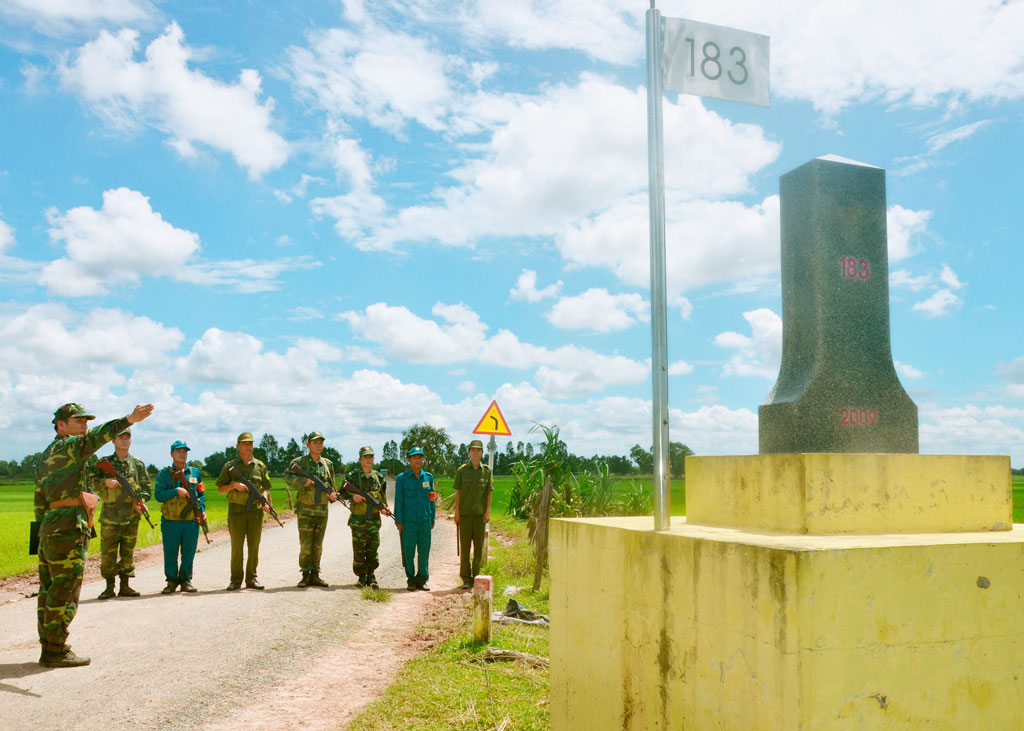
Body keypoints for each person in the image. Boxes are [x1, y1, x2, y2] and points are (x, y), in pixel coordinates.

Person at [34, 401, 154, 668]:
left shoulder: (45, 454)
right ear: (61, 425)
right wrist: (129, 419)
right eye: (79, 421)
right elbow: (99, 435)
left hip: (51, 527)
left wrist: (40, 533)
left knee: (49, 589)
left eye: (86, 421)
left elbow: (39, 497)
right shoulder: (70, 446)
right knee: (65, 590)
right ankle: (55, 649)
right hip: (68, 527)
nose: (84, 426)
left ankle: (48, 645)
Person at [89, 428, 152, 600]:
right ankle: (109, 587)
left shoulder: (138, 464)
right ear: (113, 441)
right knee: (107, 553)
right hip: (110, 516)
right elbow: (91, 481)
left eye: (128, 437)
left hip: (131, 516)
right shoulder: (105, 463)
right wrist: (105, 481)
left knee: (128, 553)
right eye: (120, 437)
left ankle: (125, 586)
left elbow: (146, 488)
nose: (124, 440)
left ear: (131, 440)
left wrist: (142, 502)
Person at [216, 432, 272, 591]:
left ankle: (252, 578)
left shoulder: (260, 466)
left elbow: (265, 487)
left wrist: (265, 500)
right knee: (237, 547)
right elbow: (220, 489)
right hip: (236, 512)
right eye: (245, 444)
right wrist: (234, 486)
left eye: (250, 444)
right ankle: (235, 580)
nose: (248, 447)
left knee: (254, 546)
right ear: (238, 446)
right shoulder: (230, 466)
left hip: (255, 512)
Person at [284, 431, 337, 588]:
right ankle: (305, 574)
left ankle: (315, 574)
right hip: (305, 510)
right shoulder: (299, 462)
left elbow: (331, 485)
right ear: (308, 445)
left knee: (318, 544)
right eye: (315, 442)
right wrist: (303, 481)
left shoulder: (328, 464)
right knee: (306, 544)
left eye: (320, 442)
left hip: (321, 510)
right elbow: (287, 477)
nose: (318, 445)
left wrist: (333, 495)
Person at [154, 440, 205, 594]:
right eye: (178, 451)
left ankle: (185, 580)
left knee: (189, 551)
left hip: (190, 521)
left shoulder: (195, 472)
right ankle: (171, 581)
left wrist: (201, 510)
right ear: (172, 454)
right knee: (170, 552)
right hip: (171, 521)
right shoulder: (164, 474)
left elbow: (201, 494)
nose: (182, 454)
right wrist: (176, 491)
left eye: (184, 451)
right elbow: (158, 495)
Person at [343, 445, 388, 589]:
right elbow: (342, 492)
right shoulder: (352, 476)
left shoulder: (379, 478)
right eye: (365, 457)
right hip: (358, 519)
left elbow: (382, 497)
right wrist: (353, 496)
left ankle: (372, 575)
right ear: (360, 459)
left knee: (373, 548)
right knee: (358, 548)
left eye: (371, 457)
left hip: (373, 520)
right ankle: (362, 577)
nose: (368, 460)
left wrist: (384, 508)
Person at [453, 439, 493, 590]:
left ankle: (476, 576)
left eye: (479, 450)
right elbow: (458, 493)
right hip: (464, 515)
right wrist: (456, 512)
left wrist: (487, 511)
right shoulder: (462, 471)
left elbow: (489, 492)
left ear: (482, 453)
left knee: (478, 548)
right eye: (473, 450)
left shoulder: (487, 471)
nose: (476, 453)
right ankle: (466, 578)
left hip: (479, 516)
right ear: (469, 453)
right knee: (464, 548)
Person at [394, 447, 435, 591]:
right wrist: (398, 521)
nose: (417, 460)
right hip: (408, 523)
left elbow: (432, 499)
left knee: (424, 551)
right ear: (409, 460)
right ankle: (411, 579)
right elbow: (399, 500)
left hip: (424, 521)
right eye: (414, 457)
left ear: (423, 460)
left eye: (420, 457)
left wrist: (432, 518)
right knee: (409, 551)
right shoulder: (402, 479)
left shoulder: (428, 477)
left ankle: (422, 579)